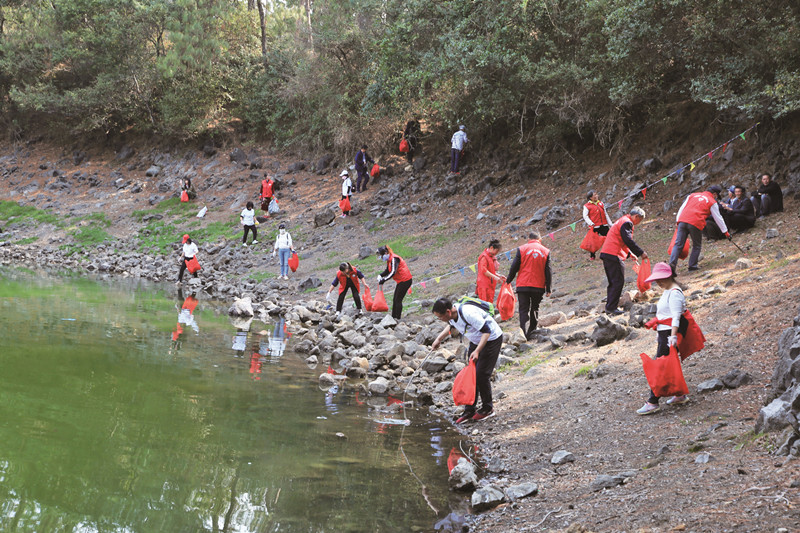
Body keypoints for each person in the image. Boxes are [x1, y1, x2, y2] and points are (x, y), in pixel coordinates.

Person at [431, 297, 504, 423]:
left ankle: (488, 408)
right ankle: (469, 410)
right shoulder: (452, 316)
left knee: (481, 374)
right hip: (476, 341)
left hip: (491, 339)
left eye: (440, 317)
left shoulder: (468, 313)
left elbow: (487, 331)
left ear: (448, 312)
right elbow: (450, 326)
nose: (440, 320)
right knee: (471, 374)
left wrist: (477, 351)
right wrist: (438, 339)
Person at [636, 262, 688, 415]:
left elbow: (676, 317)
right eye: (656, 279)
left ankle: (653, 401)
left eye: (661, 278)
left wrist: (672, 337)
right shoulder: (667, 290)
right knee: (668, 364)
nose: (659, 282)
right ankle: (679, 394)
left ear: (669, 276)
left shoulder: (675, 293)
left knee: (660, 367)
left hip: (669, 334)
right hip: (664, 333)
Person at [669, 185, 729, 273]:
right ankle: (692, 266)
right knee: (696, 245)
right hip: (695, 223)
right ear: (714, 194)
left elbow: (682, 208)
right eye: (716, 196)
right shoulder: (712, 201)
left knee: (678, 245)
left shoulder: (692, 195)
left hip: (682, 220)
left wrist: (677, 222)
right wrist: (726, 232)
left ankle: (672, 265)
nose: (716, 198)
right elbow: (718, 218)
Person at [599, 207, 648, 315]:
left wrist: (630, 254)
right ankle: (611, 308)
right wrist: (641, 252)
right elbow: (627, 240)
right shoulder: (627, 223)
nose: (639, 223)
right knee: (617, 281)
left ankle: (610, 307)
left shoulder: (622, 220)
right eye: (640, 220)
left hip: (607, 253)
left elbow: (621, 239)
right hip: (613, 254)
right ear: (636, 217)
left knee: (613, 282)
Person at [506, 231, 552, 340]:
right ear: (539, 240)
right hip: (538, 286)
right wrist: (548, 288)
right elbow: (548, 270)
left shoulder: (522, 249)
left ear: (528, 239)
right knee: (535, 308)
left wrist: (508, 280)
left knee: (523, 309)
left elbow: (514, 267)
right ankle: (532, 330)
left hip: (523, 285)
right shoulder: (546, 251)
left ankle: (523, 332)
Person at [376, 245, 413, 320]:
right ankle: (393, 317)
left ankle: (397, 318)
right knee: (395, 299)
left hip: (405, 280)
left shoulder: (394, 259)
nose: (381, 257)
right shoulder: (389, 260)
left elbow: (393, 272)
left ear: (386, 253)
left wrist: (384, 280)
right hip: (401, 281)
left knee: (398, 300)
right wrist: (380, 275)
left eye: (381, 255)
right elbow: (387, 270)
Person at [581, 190, 613, 260]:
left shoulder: (601, 203)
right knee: (593, 242)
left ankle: (610, 253)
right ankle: (592, 255)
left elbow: (605, 214)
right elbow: (585, 216)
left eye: (596, 194)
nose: (596, 196)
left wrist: (610, 224)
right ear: (590, 197)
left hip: (604, 225)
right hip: (594, 226)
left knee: (609, 238)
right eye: (594, 195)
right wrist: (590, 223)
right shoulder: (587, 206)